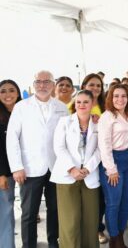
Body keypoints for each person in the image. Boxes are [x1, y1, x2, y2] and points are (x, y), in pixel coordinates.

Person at [7, 70, 69, 248]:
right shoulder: (22, 106)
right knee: (29, 213)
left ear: (53, 84)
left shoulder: (61, 107)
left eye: (46, 82)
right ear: (33, 84)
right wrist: (17, 167)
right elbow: (12, 138)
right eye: (38, 82)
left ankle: (53, 243)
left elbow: (67, 137)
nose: (42, 85)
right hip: (29, 168)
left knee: (55, 210)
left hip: (55, 167)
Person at [51, 90, 101, 248]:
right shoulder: (64, 122)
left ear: (92, 103)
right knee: (69, 221)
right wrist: (72, 169)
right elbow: (59, 147)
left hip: (90, 176)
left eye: (86, 101)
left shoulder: (98, 123)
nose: (81, 105)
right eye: (78, 102)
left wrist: (87, 169)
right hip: (67, 176)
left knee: (90, 221)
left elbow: (101, 150)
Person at [98, 84, 128, 248]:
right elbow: (104, 144)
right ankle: (114, 239)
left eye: (123, 96)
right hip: (113, 161)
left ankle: (120, 234)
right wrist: (111, 169)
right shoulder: (107, 117)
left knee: (127, 201)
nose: (120, 99)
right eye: (116, 96)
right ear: (110, 98)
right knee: (114, 202)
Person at [78, 73, 108, 244]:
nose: (95, 88)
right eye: (91, 85)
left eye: (98, 85)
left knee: (100, 197)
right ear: (84, 85)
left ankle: (98, 229)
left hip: (102, 160)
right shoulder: (74, 106)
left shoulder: (106, 107)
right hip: (81, 161)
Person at [0, 80, 22, 248]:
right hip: (5, 171)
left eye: (11, 90)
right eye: (3, 91)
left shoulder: (25, 111)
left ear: (18, 92)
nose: (8, 94)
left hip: (26, 169)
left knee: (28, 211)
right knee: (6, 212)